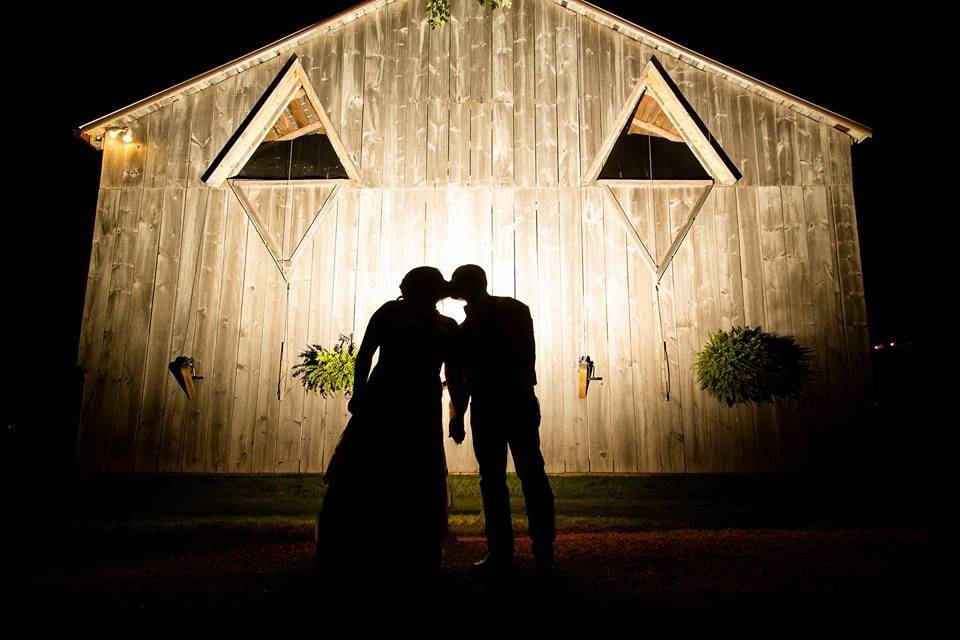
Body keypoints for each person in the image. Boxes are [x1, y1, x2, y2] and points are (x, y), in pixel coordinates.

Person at [314, 266, 463, 593]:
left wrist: (456, 414)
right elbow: (364, 354)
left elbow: (454, 372)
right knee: (371, 465)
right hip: (385, 397)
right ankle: (357, 545)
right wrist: (359, 393)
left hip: (422, 404)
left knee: (416, 470)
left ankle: (412, 550)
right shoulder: (390, 312)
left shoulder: (447, 326)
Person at [448, 264, 556, 575]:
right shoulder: (512, 310)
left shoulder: (468, 328)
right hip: (512, 400)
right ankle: (534, 552)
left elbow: (461, 377)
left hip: (497, 402)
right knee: (524, 474)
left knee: (506, 477)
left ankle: (508, 551)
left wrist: (458, 414)